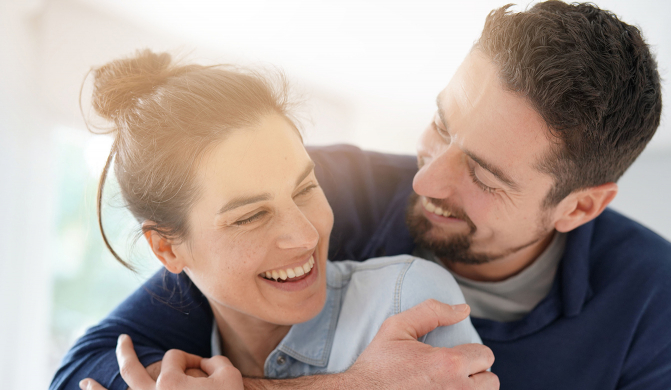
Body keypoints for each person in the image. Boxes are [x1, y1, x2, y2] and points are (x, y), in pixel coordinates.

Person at [55, 1, 671, 389]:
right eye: (441, 124)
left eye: (484, 175)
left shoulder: (655, 299)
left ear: (579, 207)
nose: (425, 181)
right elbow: (88, 370)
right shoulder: (324, 191)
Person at [50, 50, 491, 390]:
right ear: (166, 248)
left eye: (305, 189)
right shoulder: (171, 362)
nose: (306, 233)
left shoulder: (408, 302)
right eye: (252, 216)